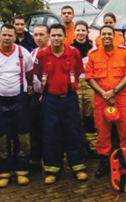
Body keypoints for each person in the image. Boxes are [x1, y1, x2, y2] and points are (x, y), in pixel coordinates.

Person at [0, 24, 35, 188]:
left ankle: (22, 171)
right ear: (0, 35)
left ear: (15, 37)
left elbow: (30, 75)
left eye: (10, 35)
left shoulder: (23, 53)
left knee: (22, 136)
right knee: (2, 138)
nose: (7, 38)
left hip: (20, 100)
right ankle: (4, 172)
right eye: (4, 35)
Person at [33, 24, 88, 184]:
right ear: (49, 37)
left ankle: (78, 167)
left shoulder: (73, 53)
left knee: (74, 132)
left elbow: (78, 71)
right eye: (54, 35)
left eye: (59, 35)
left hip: (69, 98)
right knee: (51, 134)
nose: (56, 38)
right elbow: (37, 72)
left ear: (65, 37)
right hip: (50, 99)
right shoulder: (43, 55)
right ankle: (52, 169)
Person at [85, 25, 126, 178]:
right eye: (103, 34)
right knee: (102, 135)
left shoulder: (123, 52)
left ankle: (125, 163)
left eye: (109, 34)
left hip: (121, 99)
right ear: (99, 37)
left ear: (114, 36)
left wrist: (114, 91)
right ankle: (104, 164)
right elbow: (89, 77)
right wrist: (103, 93)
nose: (106, 36)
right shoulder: (93, 54)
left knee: (125, 133)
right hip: (101, 101)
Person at [70, 21, 97, 153]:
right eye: (78, 30)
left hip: (89, 84)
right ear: (74, 32)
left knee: (90, 115)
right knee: (77, 115)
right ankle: (79, 145)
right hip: (75, 84)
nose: (80, 33)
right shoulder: (69, 48)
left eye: (83, 30)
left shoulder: (93, 49)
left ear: (87, 32)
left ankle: (92, 144)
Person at [29, 24, 49, 167]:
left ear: (48, 35)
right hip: (36, 96)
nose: (38, 38)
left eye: (41, 34)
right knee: (35, 128)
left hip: (50, 97)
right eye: (35, 35)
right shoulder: (33, 53)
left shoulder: (51, 53)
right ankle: (37, 157)